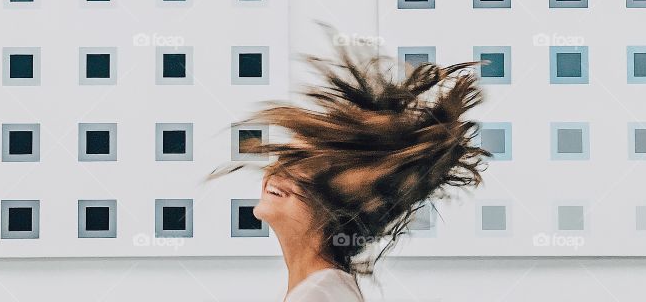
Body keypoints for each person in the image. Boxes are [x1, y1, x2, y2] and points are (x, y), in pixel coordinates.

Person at [209, 25, 489, 301]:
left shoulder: (319, 295)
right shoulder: (321, 288)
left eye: (305, 168)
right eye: (286, 157)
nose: (278, 173)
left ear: (343, 202)